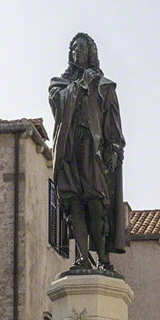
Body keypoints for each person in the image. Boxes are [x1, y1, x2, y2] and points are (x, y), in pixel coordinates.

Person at [49, 32, 125, 270]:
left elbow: (113, 120)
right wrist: (81, 85)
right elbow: (58, 105)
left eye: (81, 49)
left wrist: (114, 147)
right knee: (74, 205)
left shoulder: (104, 87)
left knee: (95, 204)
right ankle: (82, 257)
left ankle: (103, 259)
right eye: (73, 49)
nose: (76, 52)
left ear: (91, 54)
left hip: (94, 151)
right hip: (69, 150)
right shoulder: (58, 85)